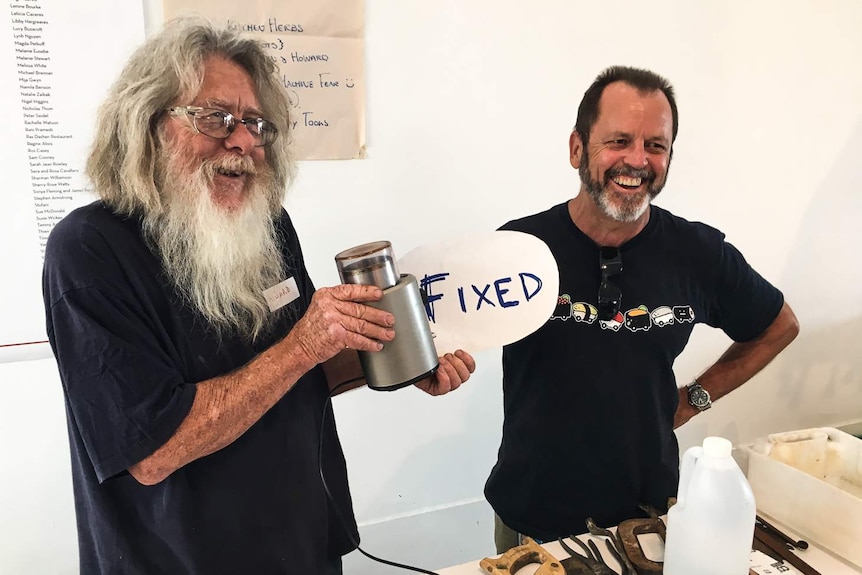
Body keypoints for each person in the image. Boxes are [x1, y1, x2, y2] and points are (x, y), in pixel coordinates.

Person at [42, 18, 475, 575]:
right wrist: (304, 344)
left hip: (301, 544)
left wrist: (396, 361)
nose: (244, 140)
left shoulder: (266, 226)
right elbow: (150, 452)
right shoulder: (89, 249)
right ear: (146, 123)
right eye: (216, 118)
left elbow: (304, 370)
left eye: (255, 123)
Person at [485, 66, 799, 552]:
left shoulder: (697, 252)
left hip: (648, 520)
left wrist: (695, 398)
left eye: (656, 145)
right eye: (619, 141)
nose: (637, 160)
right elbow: (448, 329)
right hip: (532, 517)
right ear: (576, 148)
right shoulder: (518, 247)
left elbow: (778, 326)